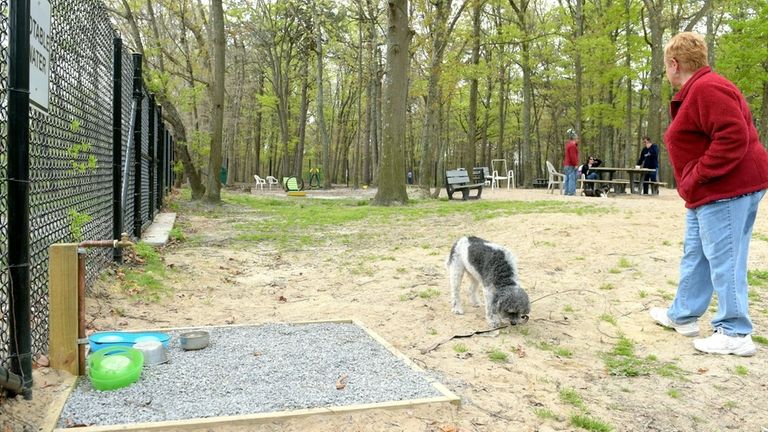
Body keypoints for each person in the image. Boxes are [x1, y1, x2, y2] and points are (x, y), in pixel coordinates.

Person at [649, 32, 768, 356]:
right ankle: (683, 315)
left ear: (674, 64)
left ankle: (734, 331)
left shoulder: (708, 87)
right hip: (709, 192)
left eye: (666, 67)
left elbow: (732, 136)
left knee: (725, 260)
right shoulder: (700, 89)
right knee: (696, 254)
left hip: (725, 189)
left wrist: (698, 174)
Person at [563, 130, 579, 195]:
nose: (578, 140)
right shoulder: (572, 146)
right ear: (574, 139)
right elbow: (573, 156)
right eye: (577, 138)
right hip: (570, 165)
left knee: (567, 178)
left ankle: (566, 191)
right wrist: (575, 164)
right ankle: (571, 192)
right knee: (572, 178)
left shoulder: (568, 145)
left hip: (566, 164)